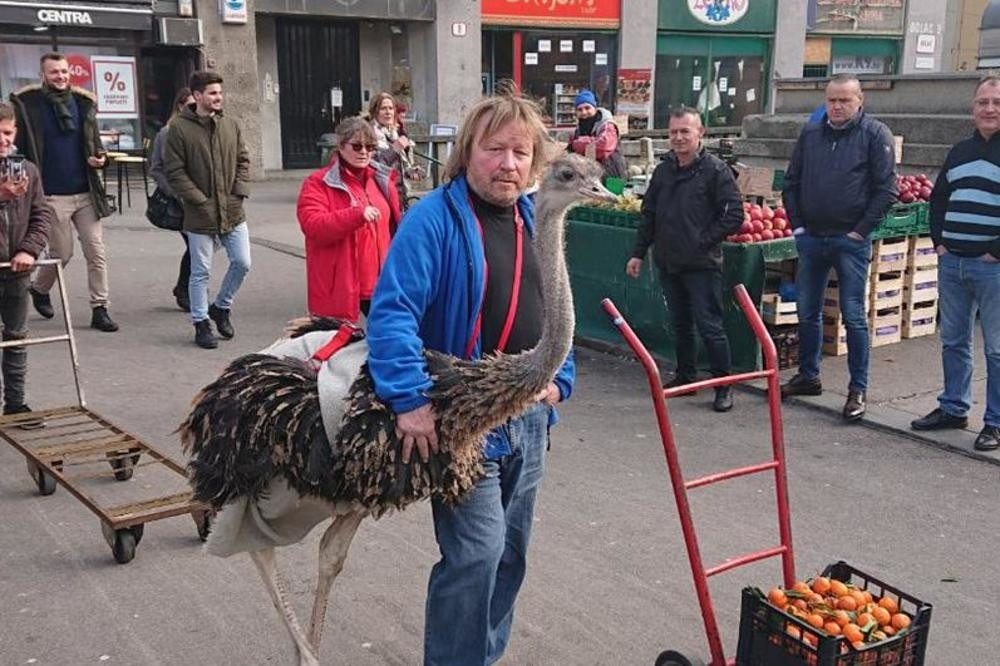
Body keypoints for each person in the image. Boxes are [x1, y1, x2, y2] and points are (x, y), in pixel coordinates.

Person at [365, 92, 575, 665]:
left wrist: (563, 379)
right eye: (494, 149)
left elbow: (555, 304)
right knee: (476, 554)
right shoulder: (434, 217)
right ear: (468, 153)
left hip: (530, 416)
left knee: (511, 556)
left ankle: (479, 657)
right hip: (468, 421)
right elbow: (393, 311)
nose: (507, 163)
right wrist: (409, 398)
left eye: (520, 151)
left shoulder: (537, 216)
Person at [780, 73, 896, 421]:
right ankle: (808, 375)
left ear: (860, 100)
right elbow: (792, 182)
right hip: (813, 237)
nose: (837, 106)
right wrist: (799, 226)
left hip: (850, 241)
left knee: (854, 315)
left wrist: (859, 233)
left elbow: (886, 190)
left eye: (845, 99)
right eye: (832, 100)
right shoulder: (812, 134)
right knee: (807, 311)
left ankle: (857, 388)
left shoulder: (875, 135)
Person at [625, 106, 743, 412]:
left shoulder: (717, 171)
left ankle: (722, 385)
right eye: (674, 132)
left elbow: (734, 216)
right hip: (668, 262)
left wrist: (701, 242)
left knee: (710, 326)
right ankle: (685, 376)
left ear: (700, 133)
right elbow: (649, 213)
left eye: (685, 132)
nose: (678, 138)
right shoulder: (664, 171)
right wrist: (638, 253)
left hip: (702, 266)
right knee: (680, 324)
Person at [910, 76, 1000, 451]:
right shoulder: (959, 151)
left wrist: (995, 250)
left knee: (996, 348)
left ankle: (995, 421)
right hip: (953, 264)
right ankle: (953, 407)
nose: (990, 109)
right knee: (954, 341)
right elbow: (939, 200)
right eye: (983, 102)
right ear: (972, 108)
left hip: (993, 267)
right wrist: (941, 244)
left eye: (996, 102)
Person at [9, 51, 117, 332]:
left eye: (65, 71)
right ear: (42, 75)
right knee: (63, 253)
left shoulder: (82, 104)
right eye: (55, 72)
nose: (61, 76)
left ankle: (100, 307)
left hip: (86, 193)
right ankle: (40, 289)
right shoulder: (30, 106)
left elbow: (95, 145)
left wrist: (101, 158)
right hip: (51, 195)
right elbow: (15, 146)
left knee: (96, 252)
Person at [164, 70, 251, 350]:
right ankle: (201, 322)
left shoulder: (231, 125)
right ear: (197, 95)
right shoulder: (179, 128)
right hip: (199, 214)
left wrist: (239, 191)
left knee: (242, 261)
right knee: (200, 271)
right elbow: (174, 171)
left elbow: (243, 159)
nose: (218, 98)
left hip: (233, 209)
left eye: (220, 93)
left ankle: (221, 306)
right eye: (212, 93)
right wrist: (198, 199)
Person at [296, 116, 401, 322]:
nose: (364, 152)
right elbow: (313, 226)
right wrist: (356, 214)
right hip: (341, 283)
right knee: (337, 346)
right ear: (341, 146)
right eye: (357, 146)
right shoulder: (318, 183)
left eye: (370, 147)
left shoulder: (382, 179)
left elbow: (395, 228)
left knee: (389, 342)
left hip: (382, 281)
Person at [0, 101, 52, 427]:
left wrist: (30, 251)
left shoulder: (27, 170)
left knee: (17, 338)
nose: (4, 141)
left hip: (17, 270)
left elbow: (42, 215)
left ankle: (16, 405)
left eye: (7, 133)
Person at [148, 87, 193, 312]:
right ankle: (185, 290)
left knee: (201, 247)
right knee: (196, 246)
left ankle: (186, 288)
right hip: (181, 202)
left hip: (201, 200)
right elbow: (156, 169)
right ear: (180, 106)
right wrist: (175, 192)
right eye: (190, 105)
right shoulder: (167, 133)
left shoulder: (199, 131)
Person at [567, 88, 627, 182]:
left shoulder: (607, 125)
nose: (584, 112)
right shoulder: (577, 130)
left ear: (595, 108)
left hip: (612, 175)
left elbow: (603, 147)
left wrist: (579, 143)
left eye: (587, 108)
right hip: (590, 177)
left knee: (615, 196)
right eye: (580, 109)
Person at [368, 91, 415, 209]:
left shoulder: (395, 133)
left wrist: (411, 171)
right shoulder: (368, 134)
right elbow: (372, 165)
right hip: (380, 195)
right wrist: (394, 149)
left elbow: (399, 166)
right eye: (383, 108)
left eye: (391, 108)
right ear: (375, 112)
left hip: (400, 195)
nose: (388, 112)